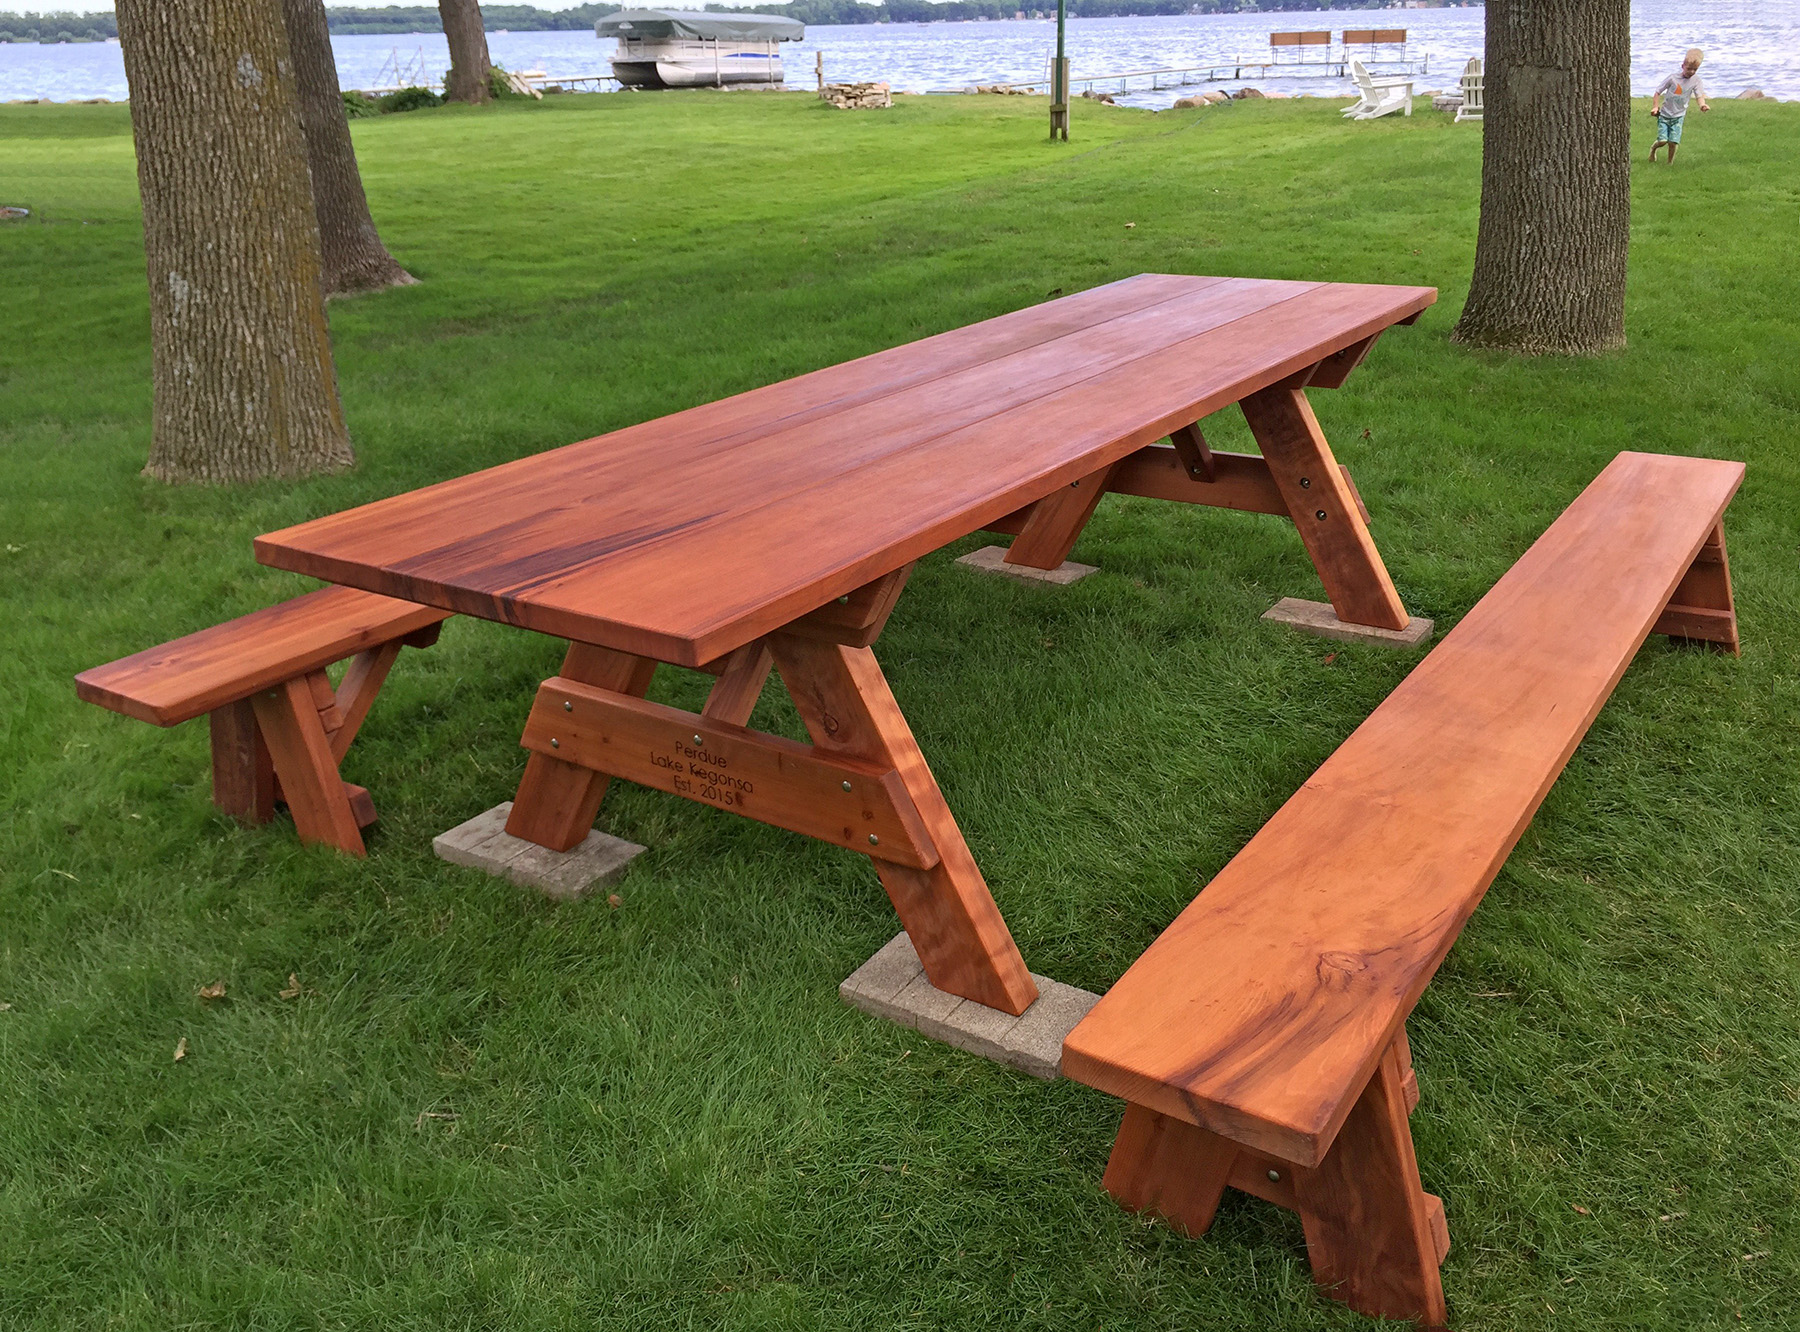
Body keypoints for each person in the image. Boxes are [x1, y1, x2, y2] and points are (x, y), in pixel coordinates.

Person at [1650, 49, 1710, 163]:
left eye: (1695, 70)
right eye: (1689, 69)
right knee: (1663, 141)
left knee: (1673, 142)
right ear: (1683, 66)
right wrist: (1655, 107)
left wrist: (1702, 105)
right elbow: (1658, 92)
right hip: (1665, 114)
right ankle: (1653, 149)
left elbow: (1699, 95)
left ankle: (1670, 163)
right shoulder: (1673, 78)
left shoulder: (1696, 81)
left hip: (1679, 116)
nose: (1691, 72)